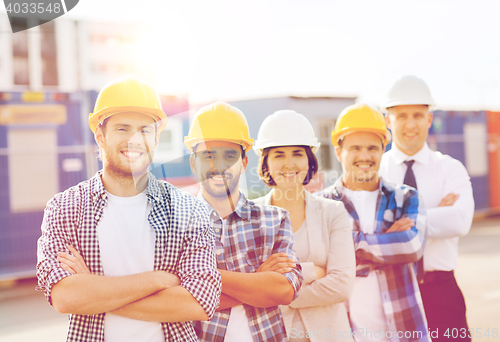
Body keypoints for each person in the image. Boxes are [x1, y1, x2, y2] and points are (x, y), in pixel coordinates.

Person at [36, 75, 221, 342]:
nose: (134, 140)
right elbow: (65, 296)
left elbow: (199, 303)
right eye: (123, 128)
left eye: (145, 130)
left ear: (156, 139)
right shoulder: (65, 208)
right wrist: (157, 280)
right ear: (100, 136)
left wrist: (94, 291)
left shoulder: (188, 211)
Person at [185, 101, 303, 342]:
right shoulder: (176, 227)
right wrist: (257, 279)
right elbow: (174, 301)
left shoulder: (274, 220)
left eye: (229, 156)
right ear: (193, 163)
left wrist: (201, 277)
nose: (219, 166)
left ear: (244, 162)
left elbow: (284, 290)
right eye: (208, 155)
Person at [316, 104, 430, 342]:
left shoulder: (405, 197)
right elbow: (315, 263)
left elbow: (411, 246)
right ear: (339, 152)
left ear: (383, 149)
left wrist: (342, 250)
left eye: (372, 148)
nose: (365, 156)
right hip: (346, 334)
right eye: (355, 148)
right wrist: (387, 243)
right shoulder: (319, 205)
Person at [380, 75, 474, 342]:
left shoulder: (450, 168)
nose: (411, 124)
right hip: (389, 290)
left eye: (418, 116)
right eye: (402, 116)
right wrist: (434, 213)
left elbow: (459, 221)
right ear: (388, 120)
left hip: (441, 292)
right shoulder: (376, 170)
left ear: (429, 119)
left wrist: (396, 223)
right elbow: (366, 227)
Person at [252, 110, 355, 342]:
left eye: (297, 153)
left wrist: (273, 291)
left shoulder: (333, 212)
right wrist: (312, 272)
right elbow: (247, 284)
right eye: (278, 155)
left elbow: (341, 285)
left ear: (309, 159)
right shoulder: (249, 217)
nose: (289, 164)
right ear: (265, 162)